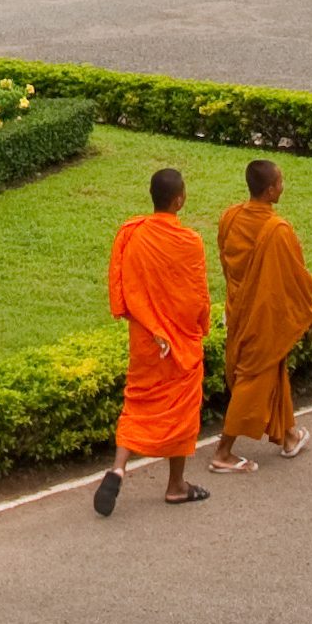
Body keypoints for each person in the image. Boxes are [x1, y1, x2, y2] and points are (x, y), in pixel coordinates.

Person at [210, 159, 312, 470]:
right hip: (262, 314)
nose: (283, 186)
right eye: (280, 182)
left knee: (271, 370)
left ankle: (289, 436)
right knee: (252, 379)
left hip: (239, 308)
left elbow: (228, 264)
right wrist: (310, 314)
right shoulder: (277, 230)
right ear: (269, 191)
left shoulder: (229, 217)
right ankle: (223, 453)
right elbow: (297, 279)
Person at [99, 165, 211, 510]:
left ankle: (118, 469)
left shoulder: (132, 233)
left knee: (138, 401)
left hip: (146, 339)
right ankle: (176, 485)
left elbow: (121, 286)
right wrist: (201, 326)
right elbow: (196, 295)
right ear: (179, 200)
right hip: (178, 342)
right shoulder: (188, 241)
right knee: (180, 410)